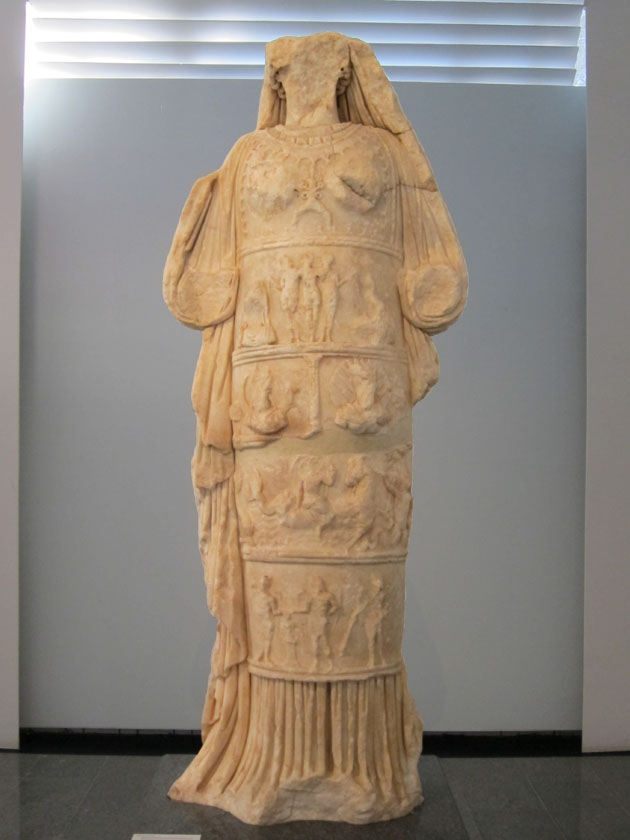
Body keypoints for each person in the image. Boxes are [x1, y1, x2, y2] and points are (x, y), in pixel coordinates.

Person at [163, 32, 467, 824]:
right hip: (269, 385)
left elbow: (432, 270)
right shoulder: (247, 156)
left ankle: (364, 765)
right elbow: (203, 286)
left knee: (361, 572)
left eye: (325, 63)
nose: (305, 74)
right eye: (290, 65)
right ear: (273, 75)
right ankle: (274, 757)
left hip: (365, 382)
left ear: (345, 71)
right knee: (277, 571)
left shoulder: (383, 151)